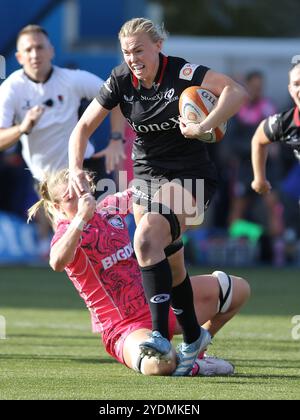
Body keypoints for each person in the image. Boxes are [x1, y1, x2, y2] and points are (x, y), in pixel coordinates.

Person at [67, 17, 247, 376]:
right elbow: (83, 128)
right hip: (146, 175)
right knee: (169, 260)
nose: (133, 57)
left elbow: (235, 92)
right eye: (127, 51)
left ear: (158, 46)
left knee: (146, 236)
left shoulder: (181, 73)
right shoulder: (121, 79)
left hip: (190, 177)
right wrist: (74, 168)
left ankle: (159, 336)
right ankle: (194, 338)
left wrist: (203, 126)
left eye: (139, 49)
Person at [28, 168, 250, 376]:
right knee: (159, 363)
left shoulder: (109, 209)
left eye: (82, 192)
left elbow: (142, 189)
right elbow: (56, 262)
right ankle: (196, 365)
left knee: (238, 289)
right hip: (124, 327)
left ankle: (194, 351)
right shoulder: (67, 231)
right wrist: (80, 219)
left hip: (161, 304)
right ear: (57, 207)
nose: (81, 200)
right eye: (70, 198)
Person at [0, 24, 124, 256]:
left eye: (39, 47)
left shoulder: (71, 80)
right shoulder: (11, 89)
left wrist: (116, 139)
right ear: (19, 56)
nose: (35, 54)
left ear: (51, 51)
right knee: (69, 250)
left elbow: (114, 96)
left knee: (106, 236)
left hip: (84, 168)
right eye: (28, 50)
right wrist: (22, 128)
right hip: (47, 181)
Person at [251, 63, 300, 196]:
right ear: (290, 90)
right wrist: (259, 179)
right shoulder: (285, 122)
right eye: (296, 84)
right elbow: (258, 139)